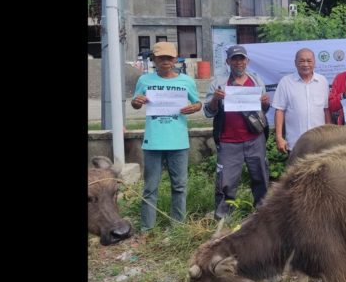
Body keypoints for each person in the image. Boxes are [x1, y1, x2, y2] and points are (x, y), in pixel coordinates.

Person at [130, 41, 202, 232]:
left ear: (176, 59)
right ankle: (147, 229)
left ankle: (177, 227)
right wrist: (136, 101)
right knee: (150, 188)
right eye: (161, 58)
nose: (166, 61)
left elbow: (198, 103)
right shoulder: (145, 80)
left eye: (169, 58)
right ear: (154, 59)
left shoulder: (186, 81)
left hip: (178, 141)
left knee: (179, 187)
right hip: (153, 141)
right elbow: (135, 103)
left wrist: (193, 107)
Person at [204, 45, 271, 219]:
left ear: (247, 61)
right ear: (228, 62)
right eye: (234, 59)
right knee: (226, 182)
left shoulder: (256, 81)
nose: (239, 62)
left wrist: (265, 102)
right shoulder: (218, 83)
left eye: (242, 59)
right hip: (228, 141)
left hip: (255, 139)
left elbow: (264, 109)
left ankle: (262, 215)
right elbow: (208, 112)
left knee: (261, 178)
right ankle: (222, 218)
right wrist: (215, 100)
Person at [272, 48, 331, 153]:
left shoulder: (322, 81)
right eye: (302, 61)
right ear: (295, 63)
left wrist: (330, 134)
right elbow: (279, 110)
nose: (305, 64)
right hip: (295, 144)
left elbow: (326, 110)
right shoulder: (286, 82)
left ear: (314, 62)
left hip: (320, 143)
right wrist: (279, 137)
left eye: (309, 61)